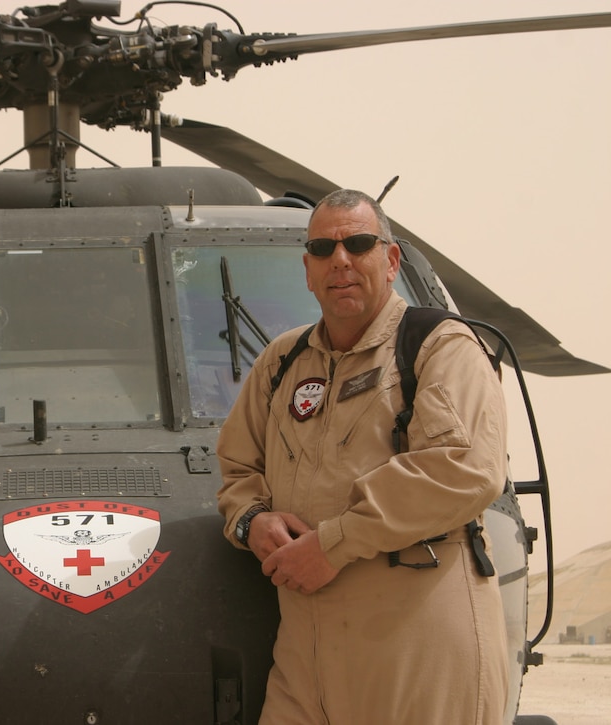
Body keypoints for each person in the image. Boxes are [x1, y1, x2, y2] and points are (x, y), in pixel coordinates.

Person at [216, 189, 509, 724]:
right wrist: (252, 520)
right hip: (305, 660)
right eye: (324, 250)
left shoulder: (439, 347)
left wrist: (332, 545)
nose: (341, 261)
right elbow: (238, 469)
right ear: (307, 269)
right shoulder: (282, 362)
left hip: (413, 651)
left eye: (358, 243)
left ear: (391, 259)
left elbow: (463, 468)